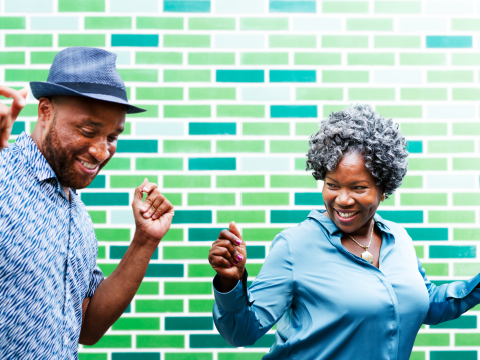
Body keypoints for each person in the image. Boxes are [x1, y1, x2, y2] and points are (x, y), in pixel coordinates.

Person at [208, 104, 480, 360]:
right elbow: (241, 332)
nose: (343, 199)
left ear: (383, 189)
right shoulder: (295, 246)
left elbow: (424, 302)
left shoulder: (400, 239)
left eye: (358, 188)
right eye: (332, 185)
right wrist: (230, 283)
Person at [0, 47, 174, 359]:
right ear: (44, 111)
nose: (101, 151)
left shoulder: (76, 213)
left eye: (112, 137)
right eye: (88, 131)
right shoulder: (4, 174)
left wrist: (144, 241)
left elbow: (87, 328)